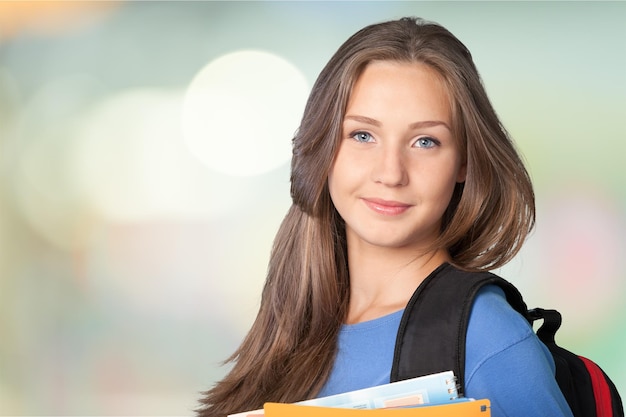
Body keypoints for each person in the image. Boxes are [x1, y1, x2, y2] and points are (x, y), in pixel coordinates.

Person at [197, 17, 573, 417]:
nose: (391, 173)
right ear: (324, 146)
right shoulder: (289, 321)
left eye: (425, 141)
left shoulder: (488, 337)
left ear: (463, 162)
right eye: (363, 135)